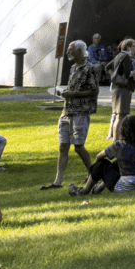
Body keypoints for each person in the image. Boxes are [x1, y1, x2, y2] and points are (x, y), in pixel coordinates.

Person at [43, 40, 101, 190]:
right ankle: (57, 182)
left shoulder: (90, 68)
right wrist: (64, 93)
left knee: (79, 147)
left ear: (80, 51)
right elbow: (72, 88)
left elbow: (95, 91)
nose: (69, 52)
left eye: (71, 50)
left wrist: (73, 94)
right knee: (63, 146)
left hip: (80, 112)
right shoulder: (73, 68)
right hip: (66, 111)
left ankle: (93, 175)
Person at [72, 113, 135, 195]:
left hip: (127, 186)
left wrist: (97, 173)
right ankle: (98, 189)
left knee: (101, 164)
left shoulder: (119, 145)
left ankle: (84, 191)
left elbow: (98, 157)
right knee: (117, 163)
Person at [105, 37, 135, 143]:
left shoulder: (118, 56)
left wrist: (115, 76)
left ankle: (118, 139)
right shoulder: (126, 57)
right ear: (129, 47)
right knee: (121, 116)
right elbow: (128, 74)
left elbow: (107, 67)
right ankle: (116, 141)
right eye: (134, 46)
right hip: (123, 89)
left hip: (116, 88)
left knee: (117, 115)